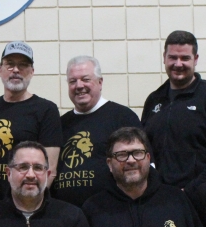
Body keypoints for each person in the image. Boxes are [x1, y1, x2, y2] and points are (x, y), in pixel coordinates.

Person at [142, 30, 206, 192]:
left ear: (196, 59)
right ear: (164, 57)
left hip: (204, 197)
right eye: (172, 57)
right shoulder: (154, 99)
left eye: (185, 58)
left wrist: (194, 189)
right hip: (161, 196)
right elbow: (145, 150)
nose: (178, 64)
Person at [0, 41, 63, 201]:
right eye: (10, 65)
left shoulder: (46, 110)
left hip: (26, 205)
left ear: (32, 72)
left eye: (23, 65)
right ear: (0, 70)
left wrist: (26, 206)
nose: (16, 70)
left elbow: (49, 169)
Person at [52, 56, 140, 208]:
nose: (79, 86)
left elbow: (143, 168)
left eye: (85, 79)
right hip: (67, 217)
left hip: (111, 214)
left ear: (100, 82)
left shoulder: (122, 117)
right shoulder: (59, 124)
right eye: (72, 81)